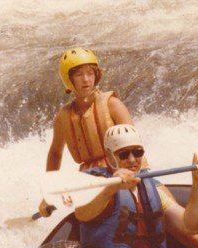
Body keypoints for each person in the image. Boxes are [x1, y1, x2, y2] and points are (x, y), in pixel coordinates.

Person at [38, 47, 136, 217]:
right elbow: (55, 154)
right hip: (88, 179)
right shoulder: (63, 117)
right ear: (69, 80)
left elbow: (135, 143)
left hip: (123, 171)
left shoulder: (112, 104)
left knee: (165, 206)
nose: (86, 79)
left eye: (90, 73)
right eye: (79, 75)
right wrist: (49, 192)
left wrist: (131, 173)